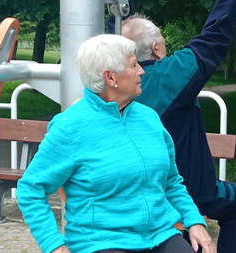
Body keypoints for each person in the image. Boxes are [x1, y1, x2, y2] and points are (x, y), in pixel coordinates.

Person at [17, 34, 217, 253]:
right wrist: (54, 245)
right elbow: (30, 188)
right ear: (110, 77)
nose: (142, 70)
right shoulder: (69, 128)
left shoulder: (149, 118)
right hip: (102, 242)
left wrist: (194, 220)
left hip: (159, 235)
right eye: (133, 65)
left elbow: (171, 181)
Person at [117, 0, 236, 252]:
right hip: (183, 190)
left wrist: (121, 8)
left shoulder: (111, 79)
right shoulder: (170, 75)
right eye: (161, 36)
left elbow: (113, 29)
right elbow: (215, 35)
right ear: (156, 48)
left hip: (127, 190)